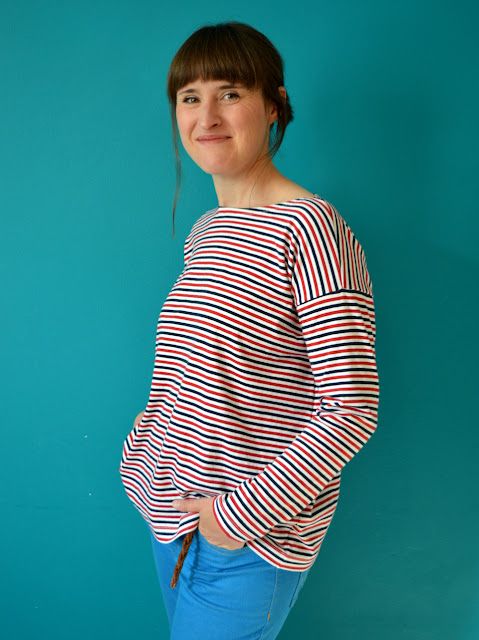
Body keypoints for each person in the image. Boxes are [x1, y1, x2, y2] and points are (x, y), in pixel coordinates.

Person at [119, 20, 380, 640]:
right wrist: (141, 457)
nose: (206, 114)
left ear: (274, 106)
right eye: (190, 97)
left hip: (249, 543)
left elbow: (350, 408)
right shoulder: (207, 229)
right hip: (170, 516)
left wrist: (232, 519)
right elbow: (185, 369)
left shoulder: (311, 228)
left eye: (230, 92)